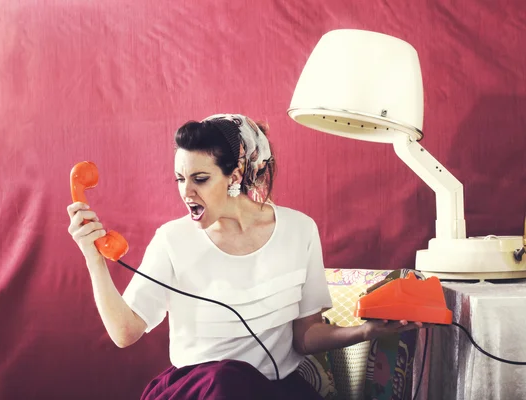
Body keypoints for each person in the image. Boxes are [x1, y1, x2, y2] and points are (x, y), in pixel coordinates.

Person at [67, 113, 423, 400]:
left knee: (241, 384)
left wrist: (365, 331)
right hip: (201, 390)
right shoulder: (172, 240)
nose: (186, 191)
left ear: (235, 175)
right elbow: (125, 332)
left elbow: (305, 336)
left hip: (272, 390)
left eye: (200, 179)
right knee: (227, 380)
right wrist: (93, 257)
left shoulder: (300, 231)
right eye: (179, 178)